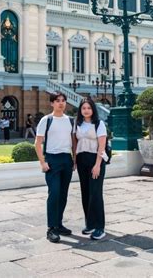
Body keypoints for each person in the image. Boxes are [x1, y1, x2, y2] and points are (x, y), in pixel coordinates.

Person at [34, 92, 76, 243]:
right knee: (54, 193)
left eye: (63, 101)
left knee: (63, 194)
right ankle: (51, 228)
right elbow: (37, 143)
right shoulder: (47, 120)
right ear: (52, 103)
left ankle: (58, 224)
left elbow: (73, 142)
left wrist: (74, 160)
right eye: (57, 101)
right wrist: (42, 162)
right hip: (52, 160)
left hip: (66, 159)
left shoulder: (70, 121)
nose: (61, 103)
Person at [75, 97, 108, 240]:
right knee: (85, 193)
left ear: (92, 109)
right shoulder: (78, 124)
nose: (86, 110)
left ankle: (100, 227)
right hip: (82, 160)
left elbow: (101, 145)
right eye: (83, 108)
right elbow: (75, 143)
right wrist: (75, 161)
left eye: (88, 108)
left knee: (95, 193)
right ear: (80, 110)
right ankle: (90, 223)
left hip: (96, 160)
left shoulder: (99, 124)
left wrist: (97, 164)